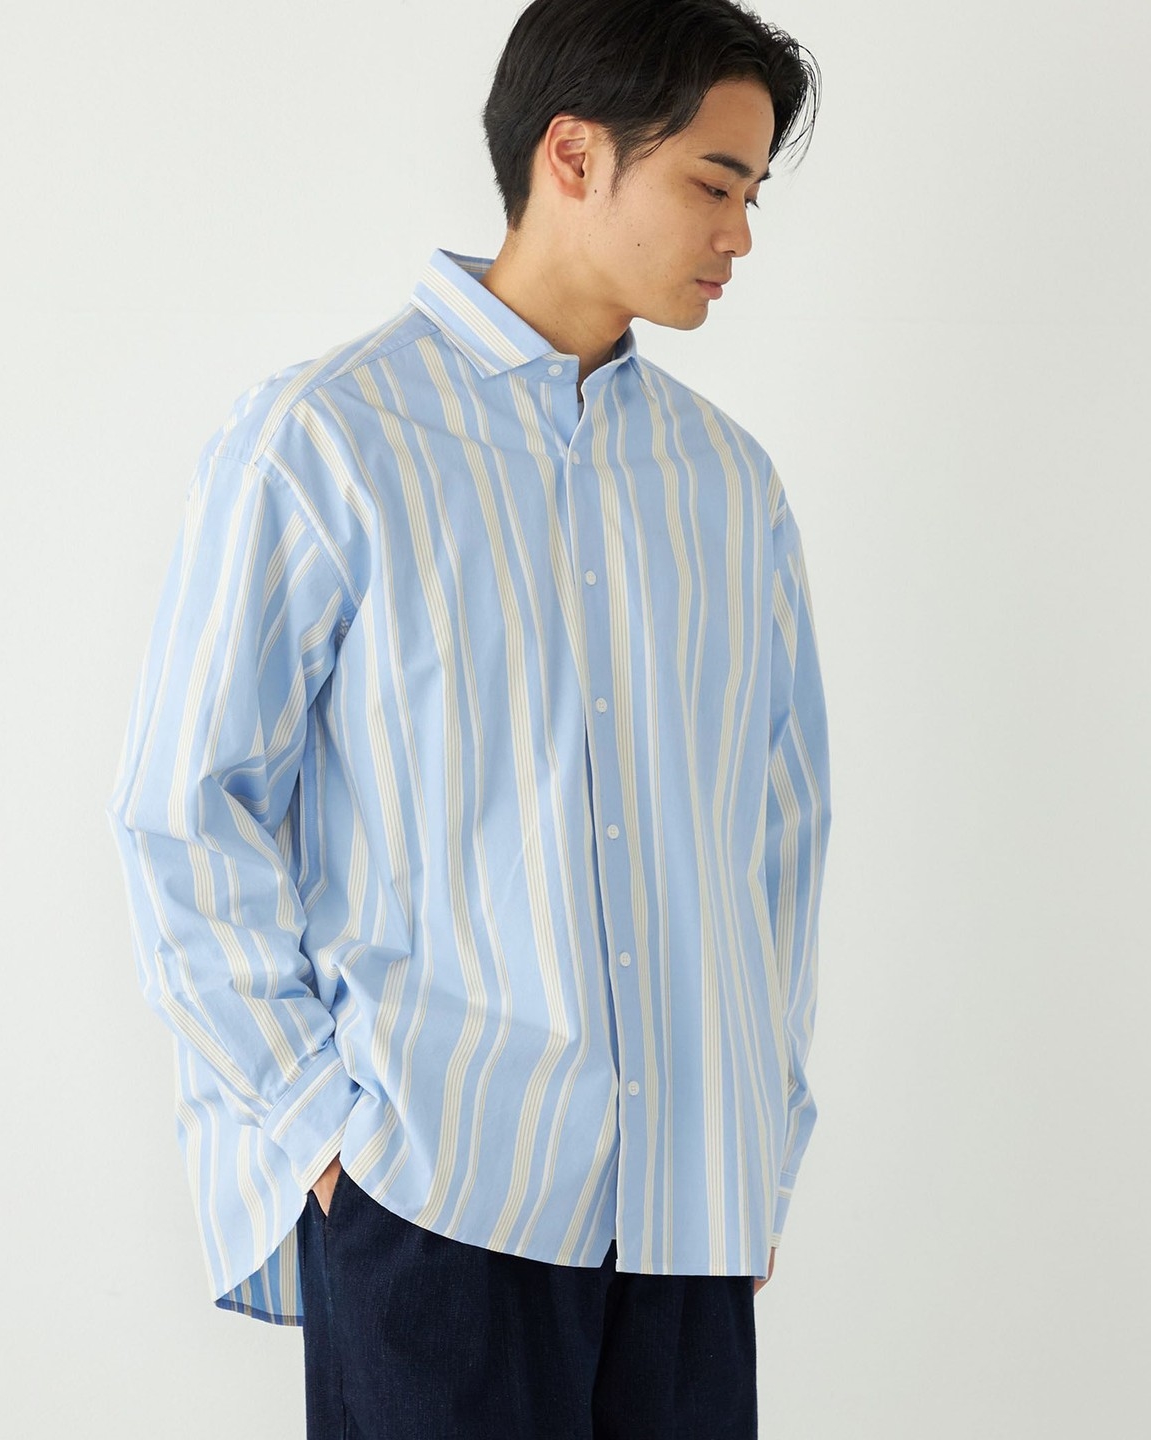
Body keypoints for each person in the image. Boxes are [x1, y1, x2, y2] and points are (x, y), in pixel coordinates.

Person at [104, 0, 830, 1434]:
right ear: (574, 155)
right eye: (714, 184)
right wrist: (322, 1134)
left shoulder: (729, 485)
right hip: (437, 1198)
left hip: (688, 1213)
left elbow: (779, 839)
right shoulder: (327, 440)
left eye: (752, 195)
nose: (740, 235)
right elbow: (183, 814)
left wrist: (763, 1141)